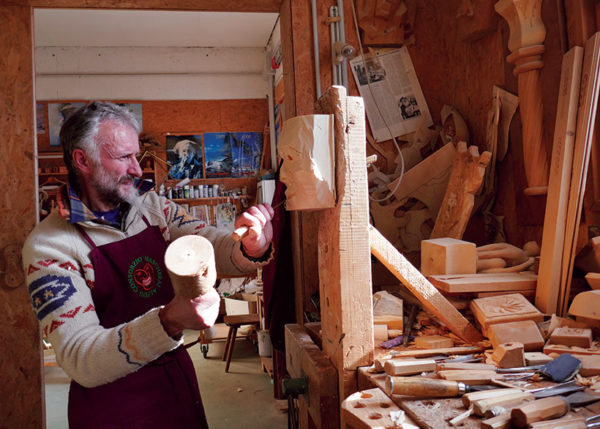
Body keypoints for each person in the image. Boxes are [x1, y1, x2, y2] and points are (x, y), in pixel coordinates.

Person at [22, 101, 274, 429]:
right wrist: (168, 322)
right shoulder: (50, 246)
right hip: (112, 408)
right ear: (82, 160)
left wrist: (250, 246)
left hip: (176, 388)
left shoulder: (151, 208)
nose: (138, 170)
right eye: (123, 157)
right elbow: (81, 358)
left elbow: (213, 244)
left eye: (136, 156)